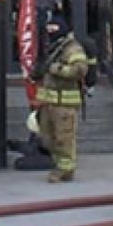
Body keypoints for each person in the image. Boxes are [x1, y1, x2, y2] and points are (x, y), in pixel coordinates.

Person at [32, 15, 91, 183]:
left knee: (63, 138)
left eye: (54, 30)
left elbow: (80, 69)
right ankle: (60, 164)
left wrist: (56, 69)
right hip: (48, 103)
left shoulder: (72, 48)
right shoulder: (49, 48)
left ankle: (65, 169)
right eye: (48, 29)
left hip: (64, 104)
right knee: (47, 138)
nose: (50, 33)